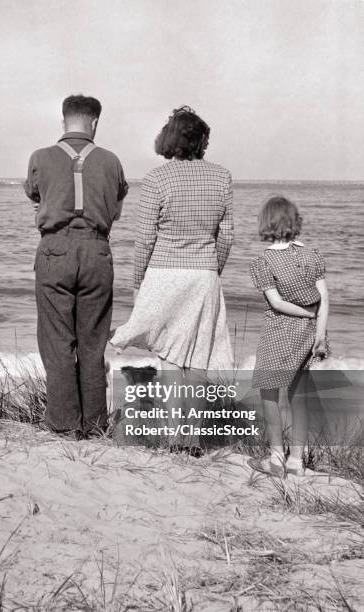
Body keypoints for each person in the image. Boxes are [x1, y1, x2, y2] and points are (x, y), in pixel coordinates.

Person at [110, 106, 234, 452]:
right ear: (201, 141)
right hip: (203, 274)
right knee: (196, 358)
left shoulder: (155, 179)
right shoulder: (222, 177)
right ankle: (192, 438)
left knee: (169, 356)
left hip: (163, 273)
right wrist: (213, 269)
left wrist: (138, 282)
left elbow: (145, 238)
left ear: (169, 140)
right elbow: (226, 236)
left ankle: (174, 436)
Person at [24, 94, 128, 438]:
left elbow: (35, 194)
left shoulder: (41, 157)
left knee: (57, 340)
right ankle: (95, 423)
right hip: (97, 250)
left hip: (55, 249)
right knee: (93, 341)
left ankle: (64, 424)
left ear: (63, 120)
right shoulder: (111, 160)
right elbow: (116, 207)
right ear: (95, 123)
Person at [249, 196, 330, 476]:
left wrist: (308, 314)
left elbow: (277, 304)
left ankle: (276, 458)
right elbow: (324, 298)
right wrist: (319, 329)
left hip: (279, 330)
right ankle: (296, 461)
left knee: (269, 392)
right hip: (309, 334)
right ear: (295, 221)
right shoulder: (313, 254)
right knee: (299, 395)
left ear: (266, 222)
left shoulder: (264, 261)